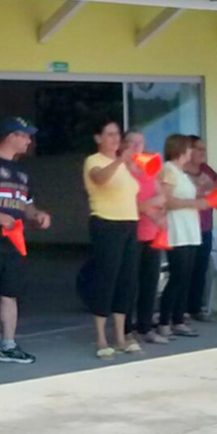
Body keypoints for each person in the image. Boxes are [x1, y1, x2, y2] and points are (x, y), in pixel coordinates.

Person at [0, 118, 52, 364]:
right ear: (10, 136)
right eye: (25, 136)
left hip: (14, 242)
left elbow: (27, 205)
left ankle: (8, 345)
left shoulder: (23, 172)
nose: (29, 141)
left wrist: (37, 215)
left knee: (11, 293)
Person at [83, 120, 141, 359]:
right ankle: (100, 337)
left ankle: (120, 336)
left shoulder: (126, 165)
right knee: (106, 278)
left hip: (129, 222)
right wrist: (120, 160)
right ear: (98, 138)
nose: (115, 138)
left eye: (117, 134)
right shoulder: (93, 161)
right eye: (109, 134)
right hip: (106, 223)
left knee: (126, 280)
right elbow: (99, 179)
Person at [158, 135, 210, 338]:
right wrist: (195, 204)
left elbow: (187, 195)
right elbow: (167, 201)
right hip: (177, 230)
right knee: (177, 276)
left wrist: (202, 196)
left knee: (186, 276)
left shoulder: (182, 172)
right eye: (189, 149)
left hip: (189, 230)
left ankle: (178, 319)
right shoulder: (169, 169)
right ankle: (164, 321)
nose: (192, 152)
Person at [122, 131, 169, 345]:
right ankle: (125, 329)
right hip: (131, 232)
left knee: (150, 282)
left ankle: (145, 327)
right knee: (129, 283)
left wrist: (155, 210)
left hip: (152, 233)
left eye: (140, 142)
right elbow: (128, 202)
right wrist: (151, 210)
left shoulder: (150, 166)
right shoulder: (121, 168)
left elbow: (162, 195)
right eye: (131, 142)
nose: (136, 146)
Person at [185, 136, 217, 322]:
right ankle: (180, 310)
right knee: (184, 269)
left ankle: (196, 308)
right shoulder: (179, 169)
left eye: (203, 149)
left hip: (205, 225)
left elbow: (216, 182)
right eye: (198, 149)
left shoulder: (205, 169)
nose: (202, 153)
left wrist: (207, 189)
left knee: (200, 268)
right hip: (186, 227)